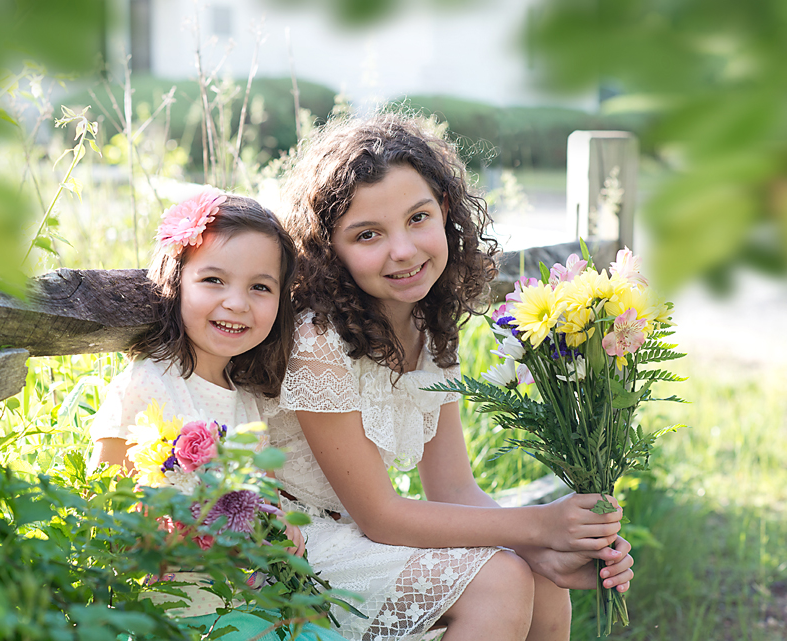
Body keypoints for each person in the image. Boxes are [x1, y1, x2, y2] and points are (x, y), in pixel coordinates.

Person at [264, 113, 635, 641]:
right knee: (503, 578)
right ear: (330, 249)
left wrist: (554, 545)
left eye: (417, 218)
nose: (404, 250)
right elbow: (380, 516)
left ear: (444, 208)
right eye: (367, 234)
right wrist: (537, 525)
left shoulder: (429, 325)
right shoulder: (318, 341)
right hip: (292, 539)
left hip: (357, 534)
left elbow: (454, 486)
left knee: (541, 573)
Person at [88, 190, 345, 641]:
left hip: (243, 603)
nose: (237, 303)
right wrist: (186, 529)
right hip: (170, 613)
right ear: (177, 280)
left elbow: (258, 502)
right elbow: (104, 514)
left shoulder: (246, 401)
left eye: (260, 287)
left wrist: (278, 526)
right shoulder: (148, 384)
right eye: (213, 280)